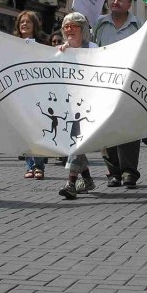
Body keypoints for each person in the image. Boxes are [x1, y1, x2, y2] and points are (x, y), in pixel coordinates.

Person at [92, 0, 143, 188]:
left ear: (129, 4)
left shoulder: (138, 25)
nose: (115, 2)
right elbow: (89, 47)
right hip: (103, 84)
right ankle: (113, 172)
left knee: (129, 128)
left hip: (129, 84)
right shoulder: (99, 24)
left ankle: (129, 171)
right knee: (107, 129)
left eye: (120, 0)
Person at [56, 12, 98, 199]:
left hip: (88, 103)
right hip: (68, 104)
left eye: (73, 26)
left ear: (82, 29)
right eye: (66, 26)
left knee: (76, 141)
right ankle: (87, 179)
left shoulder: (93, 48)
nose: (69, 30)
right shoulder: (61, 51)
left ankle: (71, 183)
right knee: (76, 142)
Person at [14, 11, 47, 180]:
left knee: (39, 130)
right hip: (21, 92)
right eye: (22, 22)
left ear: (35, 25)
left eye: (28, 22)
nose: (24, 25)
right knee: (27, 131)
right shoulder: (11, 44)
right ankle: (29, 165)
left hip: (38, 92)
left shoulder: (43, 44)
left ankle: (39, 165)